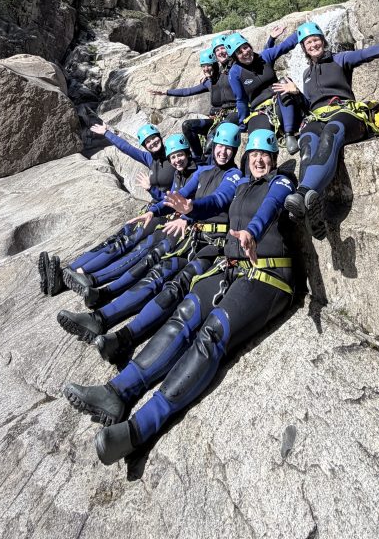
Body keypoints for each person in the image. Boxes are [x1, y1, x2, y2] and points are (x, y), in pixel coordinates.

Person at [62, 129, 296, 466]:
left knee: (211, 334)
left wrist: (252, 233)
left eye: (266, 155)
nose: (260, 160)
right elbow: (216, 202)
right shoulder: (241, 185)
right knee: (183, 315)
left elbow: (271, 209)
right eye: (255, 154)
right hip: (229, 268)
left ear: (273, 159)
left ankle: (140, 428)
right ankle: (116, 393)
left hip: (269, 277)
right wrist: (190, 208)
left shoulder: (281, 183)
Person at [55, 124, 243, 349]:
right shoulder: (203, 173)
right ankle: (99, 316)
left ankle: (123, 337)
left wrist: (190, 210)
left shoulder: (235, 176)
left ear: (235, 149)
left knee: (172, 286)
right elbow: (178, 196)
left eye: (228, 148)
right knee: (153, 270)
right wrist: (155, 211)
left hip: (211, 246)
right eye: (220, 146)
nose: (222, 152)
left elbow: (218, 201)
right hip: (190, 238)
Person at [273, 22, 379, 239]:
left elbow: (366, 54)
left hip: (346, 115)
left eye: (316, 39)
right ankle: (312, 206)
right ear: (303, 47)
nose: (313, 44)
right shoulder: (306, 74)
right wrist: (297, 94)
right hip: (316, 117)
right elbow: (309, 105)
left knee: (330, 132)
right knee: (307, 144)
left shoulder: (340, 60)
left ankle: (302, 195)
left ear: (323, 40)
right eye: (308, 42)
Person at [37, 122, 177, 297]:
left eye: (154, 138)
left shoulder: (174, 158)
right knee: (116, 238)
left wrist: (151, 189)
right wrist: (107, 133)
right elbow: (127, 148)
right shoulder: (151, 159)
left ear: (161, 137)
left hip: (165, 214)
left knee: (126, 243)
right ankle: (66, 272)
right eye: (147, 141)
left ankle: (83, 274)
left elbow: (177, 198)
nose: (152, 143)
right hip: (153, 209)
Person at [149, 25, 284, 160]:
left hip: (235, 114)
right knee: (188, 126)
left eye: (222, 48)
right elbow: (188, 91)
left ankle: (208, 159)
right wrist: (166, 92)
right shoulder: (213, 78)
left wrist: (271, 39)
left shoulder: (238, 69)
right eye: (217, 50)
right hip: (218, 117)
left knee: (216, 135)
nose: (220, 52)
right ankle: (198, 158)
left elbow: (259, 59)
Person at [225, 29, 301, 153]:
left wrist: (303, 32)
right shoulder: (235, 73)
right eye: (239, 52)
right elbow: (241, 100)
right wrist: (243, 123)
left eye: (245, 47)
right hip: (260, 110)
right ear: (235, 57)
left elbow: (285, 45)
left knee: (283, 82)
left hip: (281, 103)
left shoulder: (265, 56)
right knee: (258, 142)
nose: (245, 52)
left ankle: (289, 134)